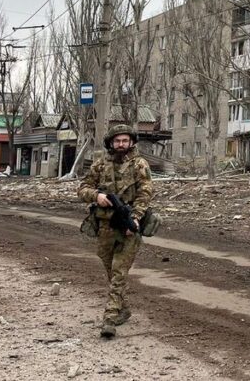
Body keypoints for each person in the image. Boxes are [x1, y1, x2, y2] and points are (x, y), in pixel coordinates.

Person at [77, 123, 154, 339]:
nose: (121, 145)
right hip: (105, 227)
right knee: (111, 270)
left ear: (131, 142)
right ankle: (123, 308)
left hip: (128, 225)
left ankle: (109, 318)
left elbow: (145, 194)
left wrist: (135, 220)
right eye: (117, 141)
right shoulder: (101, 165)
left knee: (119, 272)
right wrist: (96, 196)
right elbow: (83, 188)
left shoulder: (139, 164)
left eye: (125, 141)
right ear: (111, 143)